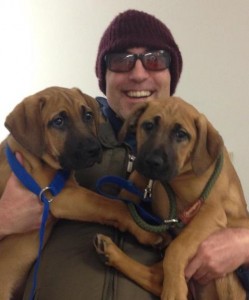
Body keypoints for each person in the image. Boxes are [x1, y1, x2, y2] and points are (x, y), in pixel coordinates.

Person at [1, 9, 249, 299]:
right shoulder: (60, 132)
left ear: (172, 75)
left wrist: (243, 245)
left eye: (155, 60)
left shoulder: (197, 151)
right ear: (104, 77)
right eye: (121, 61)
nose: (139, 73)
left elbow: (229, 217)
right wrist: (3, 218)